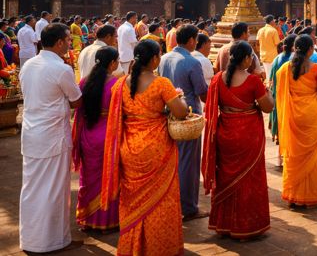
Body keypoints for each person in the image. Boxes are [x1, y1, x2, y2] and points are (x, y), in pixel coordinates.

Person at [101, 39, 189, 255]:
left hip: (129, 148)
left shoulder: (120, 84)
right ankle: (159, 248)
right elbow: (180, 112)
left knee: (131, 200)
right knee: (162, 199)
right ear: (155, 59)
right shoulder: (161, 84)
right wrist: (182, 100)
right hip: (156, 147)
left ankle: (133, 247)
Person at [19, 23, 82, 253]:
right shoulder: (61, 69)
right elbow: (76, 100)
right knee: (54, 190)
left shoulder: (28, 65)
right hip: (52, 137)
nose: (69, 43)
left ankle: (33, 239)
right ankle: (51, 242)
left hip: (32, 134)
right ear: (58, 43)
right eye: (67, 40)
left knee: (32, 188)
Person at [202, 41, 274, 239]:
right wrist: (269, 94)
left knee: (225, 177)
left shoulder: (218, 79)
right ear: (246, 58)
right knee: (250, 178)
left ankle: (224, 224)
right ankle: (246, 226)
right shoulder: (253, 81)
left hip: (225, 133)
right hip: (248, 134)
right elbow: (267, 107)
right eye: (251, 56)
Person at [276, 34, 317, 208]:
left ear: (294, 48)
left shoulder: (284, 69)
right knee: (313, 157)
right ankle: (310, 197)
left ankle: (293, 196)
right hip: (312, 116)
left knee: (294, 156)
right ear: (310, 50)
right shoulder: (316, 69)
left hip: (293, 116)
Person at [158, 24, 208, 219]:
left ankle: (174, 201)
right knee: (189, 162)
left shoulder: (164, 58)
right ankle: (188, 207)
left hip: (168, 113)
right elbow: (201, 91)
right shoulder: (192, 62)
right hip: (188, 116)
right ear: (191, 40)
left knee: (173, 160)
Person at [73, 46, 120, 231]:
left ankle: (87, 218)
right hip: (108, 135)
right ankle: (105, 221)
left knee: (88, 178)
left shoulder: (84, 81)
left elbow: (79, 109)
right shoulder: (116, 84)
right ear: (112, 63)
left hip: (87, 135)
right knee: (109, 177)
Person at [268, 34, 296, 169]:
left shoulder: (277, 59)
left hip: (278, 98)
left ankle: (280, 159)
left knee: (281, 128)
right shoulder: (294, 60)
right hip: (290, 98)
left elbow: (271, 81)